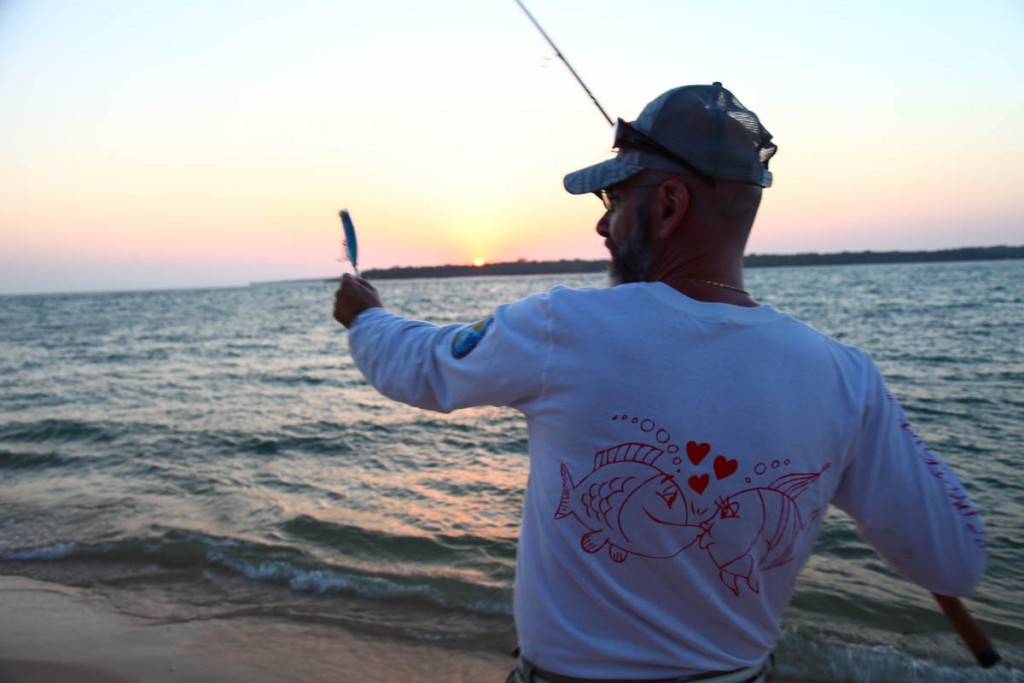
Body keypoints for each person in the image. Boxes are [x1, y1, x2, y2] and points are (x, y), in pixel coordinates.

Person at [332, 83, 987, 683]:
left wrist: (366, 317)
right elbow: (955, 559)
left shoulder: (565, 327)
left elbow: (419, 365)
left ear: (669, 204)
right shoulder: (846, 377)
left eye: (615, 200)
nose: (602, 225)